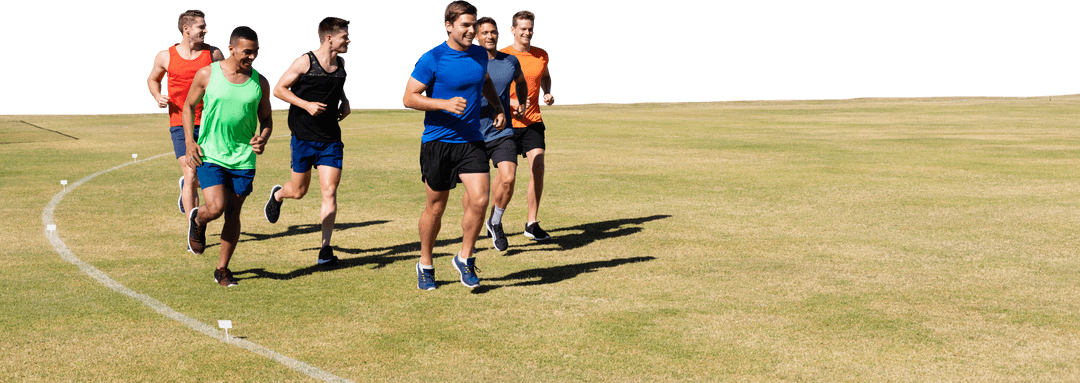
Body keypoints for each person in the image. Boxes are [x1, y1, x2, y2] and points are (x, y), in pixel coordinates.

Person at [402, 0, 506, 290]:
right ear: (448, 26)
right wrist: (443, 104)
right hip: (438, 142)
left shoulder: (479, 54)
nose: (472, 31)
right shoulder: (432, 58)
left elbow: (485, 81)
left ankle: (465, 257)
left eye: (474, 25)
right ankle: (425, 263)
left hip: (471, 140)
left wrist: (497, 106)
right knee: (435, 208)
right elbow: (409, 97)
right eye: (465, 25)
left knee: (480, 199)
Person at [183, 26, 273, 287]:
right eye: (247, 52)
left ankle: (222, 269)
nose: (252, 57)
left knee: (233, 213)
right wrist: (190, 141)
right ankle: (198, 219)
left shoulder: (260, 82)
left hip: (243, 158)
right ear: (231, 49)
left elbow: (266, 119)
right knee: (216, 207)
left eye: (256, 52)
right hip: (211, 153)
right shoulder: (207, 74)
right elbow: (188, 106)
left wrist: (263, 137)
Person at [263, 16, 352, 267]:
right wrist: (306, 105)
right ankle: (278, 195)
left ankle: (325, 250)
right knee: (299, 191)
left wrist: (344, 101)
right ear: (329, 38)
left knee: (329, 191)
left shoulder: (341, 63)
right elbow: (279, 89)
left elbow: (337, 87)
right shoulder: (305, 62)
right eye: (345, 36)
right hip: (303, 137)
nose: (349, 40)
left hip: (330, 139)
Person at [146, 9, 224, 218]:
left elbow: (226, 80)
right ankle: (193, 227)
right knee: (190, 173)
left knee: (205, 175)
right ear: (187, 29)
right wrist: (157, 96)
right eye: (201, 27)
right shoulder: (165, 56)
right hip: (180, 123)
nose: (205, 30)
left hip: (209, 123)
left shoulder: (214, 54)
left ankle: (186, 190)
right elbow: (153, 79)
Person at [499, 10, 555, 241]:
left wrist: (547, 92)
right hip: (507, 124)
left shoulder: (541, 54)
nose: (527, 32)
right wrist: (512, 102)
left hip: (533, 121)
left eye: (530, 28)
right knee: (506, 178)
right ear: (513, 30)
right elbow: (488, 88)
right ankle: (495, 220)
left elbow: (545, 76)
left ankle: (531, 223)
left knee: (538, 167)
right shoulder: (501, 56)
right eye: (522, 28)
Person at [475, 16, 528, 252]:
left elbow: (521, 82)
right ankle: (470, 234)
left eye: (493, 32)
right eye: (485, 32)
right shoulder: (468, 61)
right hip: (473, 134)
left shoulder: (510, 61)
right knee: (477, 193)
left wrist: (522, 102)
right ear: (476, 36)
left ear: (499, 34)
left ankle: (495, 221)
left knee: (508, 178)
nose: (490, 36)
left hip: (502, 130)